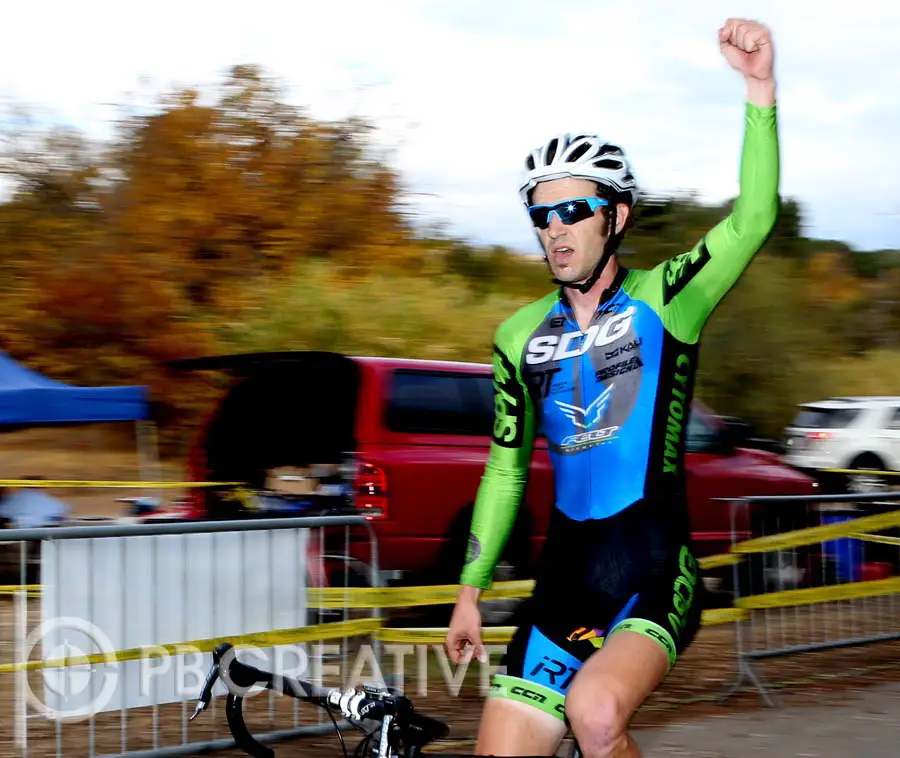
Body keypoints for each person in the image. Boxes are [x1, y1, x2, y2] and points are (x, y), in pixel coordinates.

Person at [445, 18, 779, 758]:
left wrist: (759, 89)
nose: (555, 231)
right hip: (564, 581)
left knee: (597, 712)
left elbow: (754, 219)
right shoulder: (516, 336)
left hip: (655, 570)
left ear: (616, 216)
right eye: (541, 217)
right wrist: (469, 590)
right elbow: (504, 466)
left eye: (573, 211)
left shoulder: (668, 299)